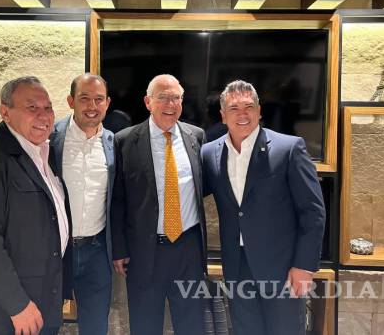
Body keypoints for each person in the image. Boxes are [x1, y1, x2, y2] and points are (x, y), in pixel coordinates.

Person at [201, 79, 325, 335]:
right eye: (234, 108)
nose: (242, 114)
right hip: (237, 266)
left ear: (259, 111)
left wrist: (304, 266)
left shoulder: (289, 148)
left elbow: (313, 211)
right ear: (223, 115)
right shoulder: (209, 153)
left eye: (249, 107)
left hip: (283, 268)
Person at [0, 76, 72, 335]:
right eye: (31, 107)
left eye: (48, 108)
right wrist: (17, 305)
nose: (43, 115)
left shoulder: (43, 152)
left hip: (43, 300)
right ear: (5, 113)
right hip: (8, 312)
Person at [111, 74, 207, 335]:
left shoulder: (196, 137)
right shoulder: (124, 141)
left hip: (188, 250)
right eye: (163, 97)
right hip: (145, 251)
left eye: (176, 98)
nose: (171, 104)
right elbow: (117, 200)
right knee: (145, 324)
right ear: (148, 102)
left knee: (192, 325)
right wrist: (119, 248)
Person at [50, 73, 114, 335]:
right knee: (47, 322)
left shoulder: (113, 143)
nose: (92, 106)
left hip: (97, 250)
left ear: (107, 103)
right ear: (71, 101)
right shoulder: (50, 139)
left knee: (96, 325)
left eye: (99, 99)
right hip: (55, 250)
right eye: (84, 98)